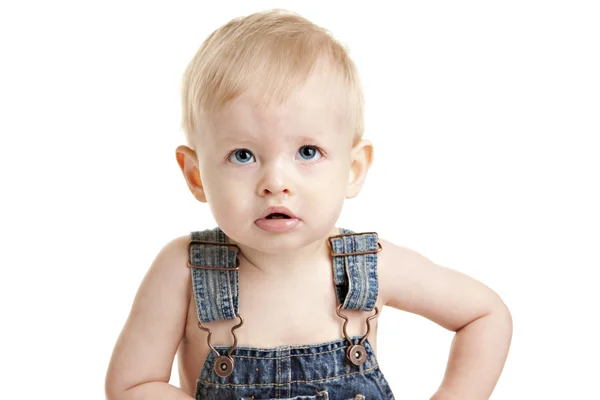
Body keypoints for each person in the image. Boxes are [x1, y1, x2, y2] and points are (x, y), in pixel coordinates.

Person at [105, 8, 512, 400]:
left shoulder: (373, 265)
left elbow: (484, 316)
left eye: (307, 152)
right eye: (243, 155)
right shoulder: (184, 269)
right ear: (196, 175)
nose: (276, 183)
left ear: (353, 168)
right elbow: (132, 384)